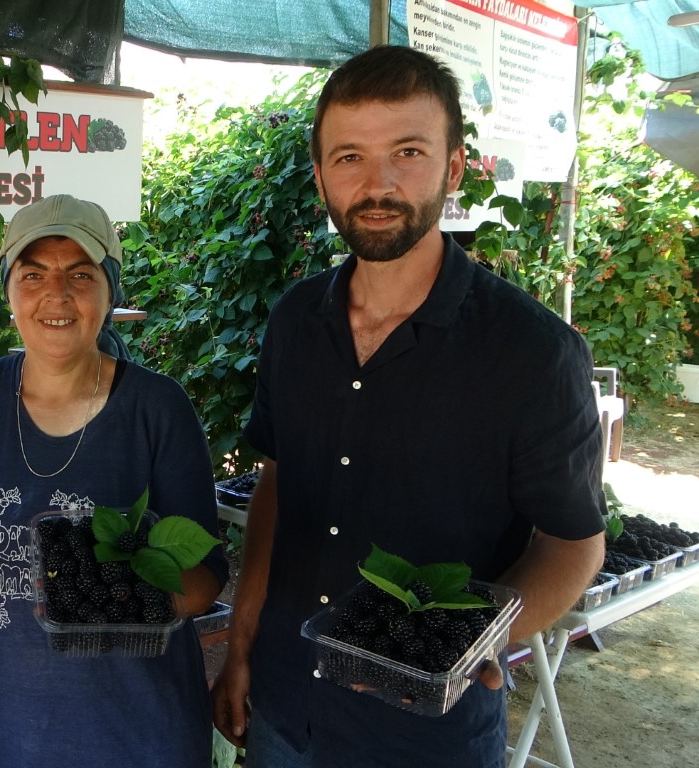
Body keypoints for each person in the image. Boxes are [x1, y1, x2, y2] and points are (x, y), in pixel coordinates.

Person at [210, 45, 606, 768]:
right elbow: (278, 483)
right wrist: (241, 645)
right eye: (349, 157)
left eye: (408, 151)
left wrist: (484, 634)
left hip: (424, 734)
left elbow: (572, 542)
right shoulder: (295, 322)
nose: (377, 183)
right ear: (320, 173)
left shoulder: (533, 353)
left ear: (453, 167)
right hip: (285, 707)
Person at [0, 194, 228, 768]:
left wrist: (117, 598)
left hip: (134, 733)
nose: (56, 295)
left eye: (80, 274)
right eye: (33, 273)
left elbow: (207, 574)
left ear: (110, 290)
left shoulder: (156, 408)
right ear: (7, 289)